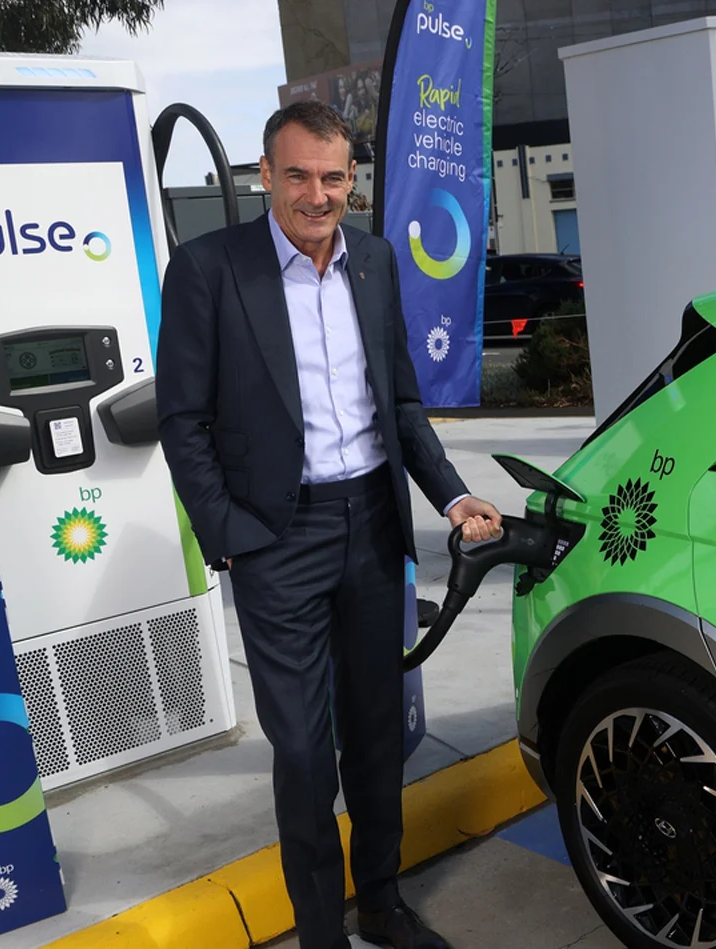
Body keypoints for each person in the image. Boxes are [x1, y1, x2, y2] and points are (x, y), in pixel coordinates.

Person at [156, 100, 500, 949]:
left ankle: (380, 902)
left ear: (353, 179)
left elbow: (401, 402)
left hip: (373, 525)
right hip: (277, 538)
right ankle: (321, 933)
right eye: (299, 175)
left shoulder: (374, 261)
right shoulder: (208, 269)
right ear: (265, 175)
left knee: (377, 737)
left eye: (334, 176)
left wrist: (453, 496)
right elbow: (182, 420)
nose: (318, 194)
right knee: (306, 752)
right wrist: (230, 535)